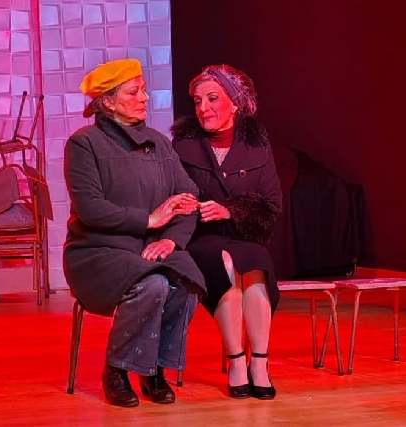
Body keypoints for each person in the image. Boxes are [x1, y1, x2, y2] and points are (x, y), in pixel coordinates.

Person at [63, 58, 206, 408]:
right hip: (97, 251)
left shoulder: (159, 143)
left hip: (153, 248)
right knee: (153, 285)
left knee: (187, 283)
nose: (144, 98)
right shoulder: (84, 144)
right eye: (133, 92)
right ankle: (116, 370)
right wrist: (150, 220)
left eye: (143, 90)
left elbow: (188, 198)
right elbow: (91, 209)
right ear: (108, 102)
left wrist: (170, 239)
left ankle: (152, 367)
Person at [171, 64, 283, 400]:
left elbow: (271, 206)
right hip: (200, 239)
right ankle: (236, 362)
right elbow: (172, 196)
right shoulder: (184, 146)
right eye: (198, 101)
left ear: (234, 103)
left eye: (212, 99)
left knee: (255, 264)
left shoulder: (257, 147)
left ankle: (259, 363)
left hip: (241, 235)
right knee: (225, 264)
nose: (203, 108)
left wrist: (231, 210)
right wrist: (192, 207)